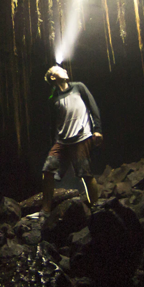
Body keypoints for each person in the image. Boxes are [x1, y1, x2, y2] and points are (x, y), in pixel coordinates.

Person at [41, 65, 102, 213]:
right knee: (47, 171)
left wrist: (98, 130)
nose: (65, 70)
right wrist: (52, 141)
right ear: (53, 77)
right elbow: (52, 122)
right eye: (60, 69)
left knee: (85, 173)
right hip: (62, 141)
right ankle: (45, 210)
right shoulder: (53, 97)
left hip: (81, 138)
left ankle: (97, 207)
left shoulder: (78, 87)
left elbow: (93, 107)